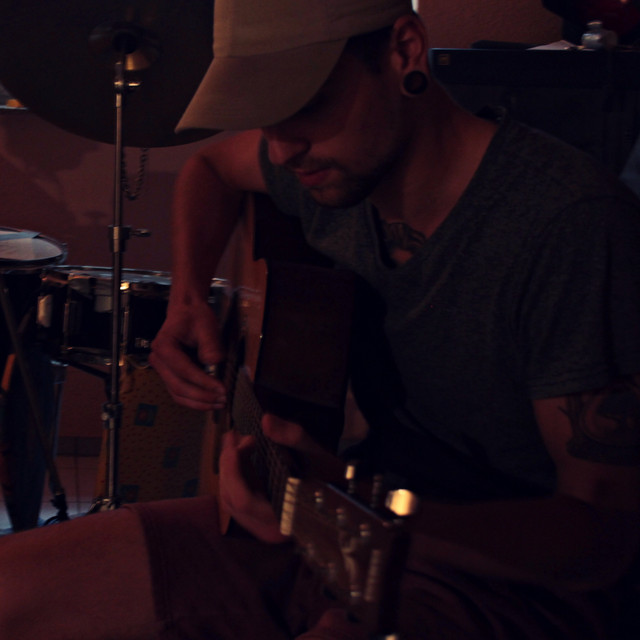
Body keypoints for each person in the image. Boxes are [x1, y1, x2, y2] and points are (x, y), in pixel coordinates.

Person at [1, 0, 640, 638]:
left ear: (404, 50)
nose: (282, 150)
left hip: (502, 589)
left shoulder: (571, 226)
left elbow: (601, 541)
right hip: (327, 534)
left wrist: (355, 507)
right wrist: (188, 297)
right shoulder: (330, 168)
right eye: (263, 117)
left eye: (305, 105)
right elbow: (212, 168)